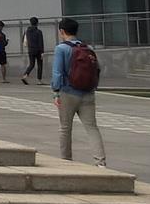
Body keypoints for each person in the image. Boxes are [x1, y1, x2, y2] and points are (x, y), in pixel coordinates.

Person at [52, 17, 107, 166]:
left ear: (62, 31)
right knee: (92, 127)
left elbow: (57, 73)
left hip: (68, 93)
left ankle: (66, 160)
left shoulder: (61, 48)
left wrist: (56, 93)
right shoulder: (88, 48)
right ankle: (100, 162)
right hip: (88, 93)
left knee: (65, 128)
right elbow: (98, 69)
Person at [21, 16, 46, 85]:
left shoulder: (27, 31)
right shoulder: (39, 32)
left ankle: (25, 75)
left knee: (31, 64)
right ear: (37, 23)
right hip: (38, 50)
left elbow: (23, 40)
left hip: (30, 50)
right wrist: (42, 52)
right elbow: (41, 42)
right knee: (40, 65)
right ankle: (39, 80)